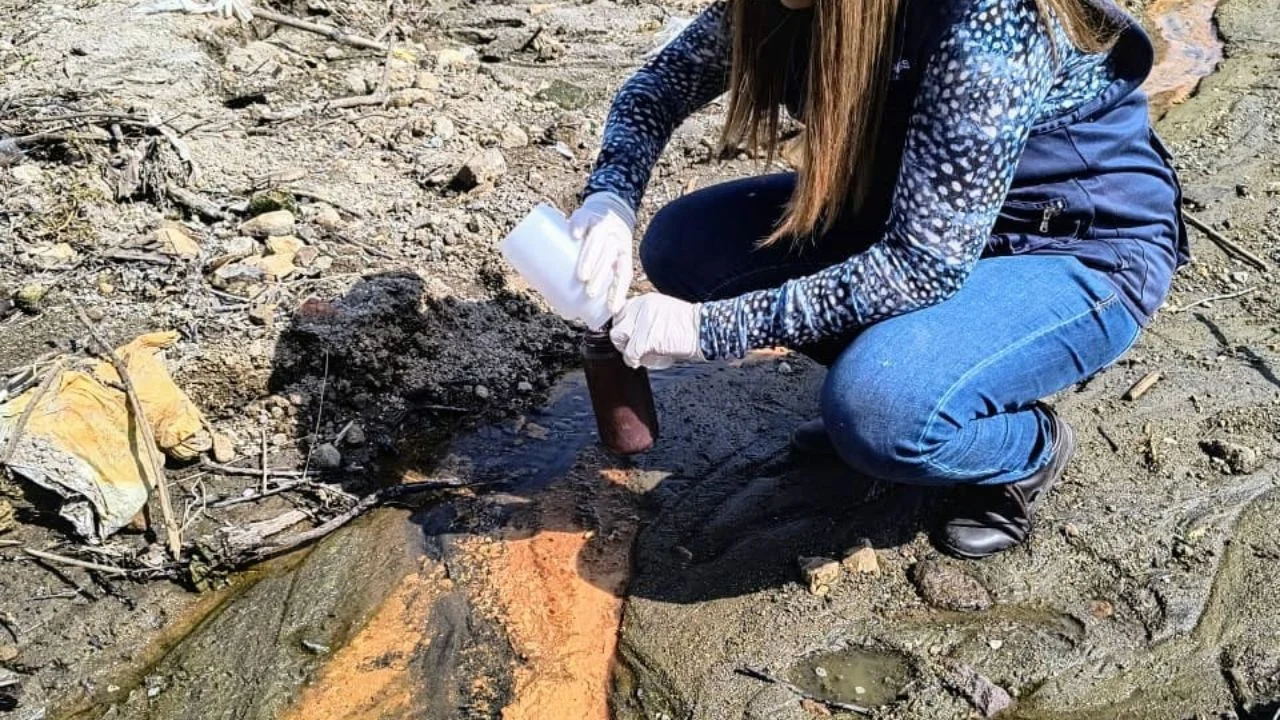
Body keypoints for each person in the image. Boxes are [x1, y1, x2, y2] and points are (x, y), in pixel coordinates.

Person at [567, 0, 1186, 558]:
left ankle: (1023, 449)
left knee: (881, 414)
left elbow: (924, 267)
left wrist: (713, 330)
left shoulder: (990, 21)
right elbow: (659, 86)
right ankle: (915, 376)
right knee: (686, 243)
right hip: (912, 218)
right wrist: (611, 199)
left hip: (1069, 248)